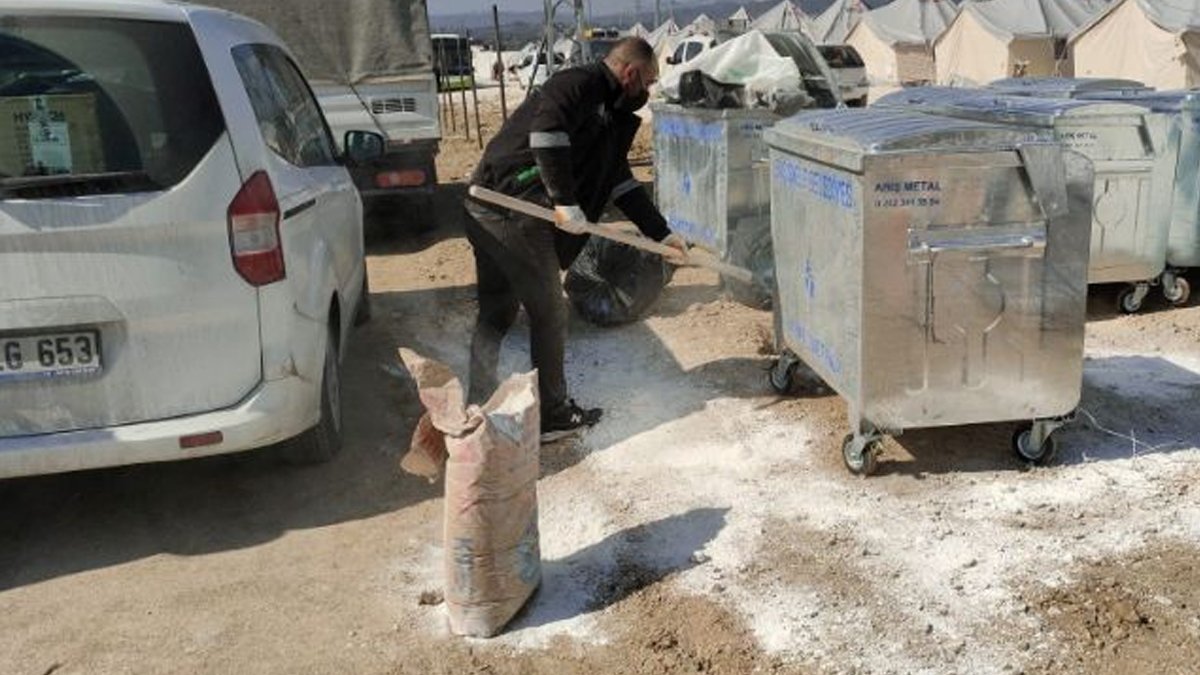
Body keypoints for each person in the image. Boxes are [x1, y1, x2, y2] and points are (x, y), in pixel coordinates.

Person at [464, 36, 687, 439]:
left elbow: (618, 182)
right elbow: (546, 134)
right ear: (630, 73)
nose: (648, 92)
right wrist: (565, 201)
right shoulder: (578, 84)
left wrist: (662, 233)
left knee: (497, 310)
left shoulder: (610, 116)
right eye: (649, 82)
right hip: (507, 205)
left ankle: (476, 404)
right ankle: (551, 415)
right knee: (549, 310)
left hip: (497, 209)